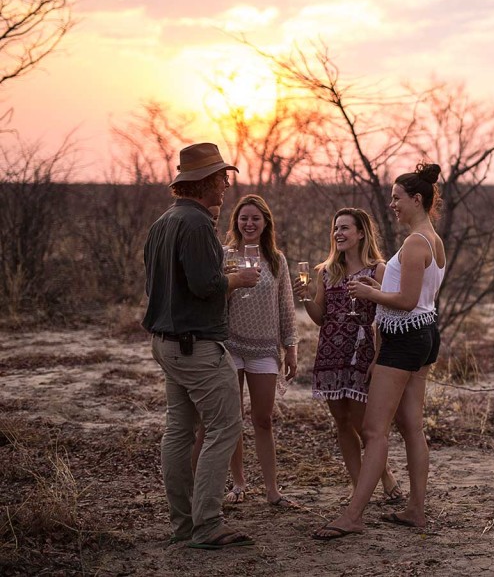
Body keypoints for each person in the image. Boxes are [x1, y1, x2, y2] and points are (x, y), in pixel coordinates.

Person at [312, 163, 446, 539]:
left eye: (396, 198)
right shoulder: (434, 241)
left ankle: (353, 515)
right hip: (425, 334)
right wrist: (380, 287)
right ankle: (415, 510)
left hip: (404, 340)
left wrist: (372, 292)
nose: (392, 205)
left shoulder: (416, 242)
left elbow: (405, 300)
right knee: (412, 427)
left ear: (416, 199)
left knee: (373, 430)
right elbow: (419, 297)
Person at [143, 142, 259, 549]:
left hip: (167, 342)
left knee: (178, 432)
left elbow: (163, 284)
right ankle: (207, 524)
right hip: (195, 346)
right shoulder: (195, 225)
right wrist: (235, 280)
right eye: (222, 178)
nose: (227, 185)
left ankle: (184, 525)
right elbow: (204, 286)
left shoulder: (163, 223)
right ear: (205, 182)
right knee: (225, 426)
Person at [293, 207, 402, 503]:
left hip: (361, 349)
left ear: (361, 233)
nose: (338, 234)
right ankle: (358, 488)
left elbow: (387, 317)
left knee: (362, 424)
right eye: (335, 229)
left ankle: (384, 474)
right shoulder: (328, 272)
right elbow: (320, 316)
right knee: (341, 421)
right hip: (330, 350)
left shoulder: (377, 270)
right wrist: (304, 298)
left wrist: (378, 358)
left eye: (345, 228)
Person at [196, 194, 298, 507]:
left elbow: (286, 307)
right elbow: (214, 300)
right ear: (236, 223)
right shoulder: (225, 256)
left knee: (263, 419)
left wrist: (290, 348)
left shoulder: (276, 260)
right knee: (233, 418)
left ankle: (272, 490)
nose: (249, 223)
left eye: (255, 218)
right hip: (231, 345)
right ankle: (239, 484)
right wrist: (234, 282)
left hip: (265, 347)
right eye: (243, 218)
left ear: (266, 222)